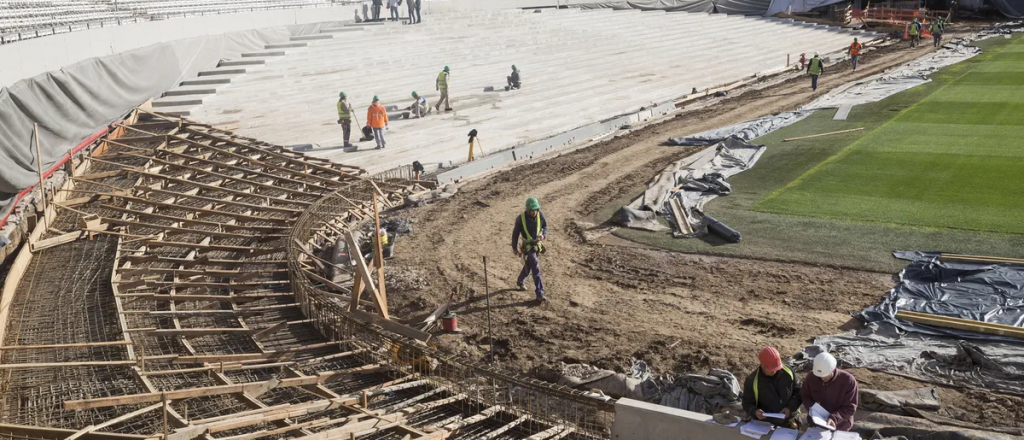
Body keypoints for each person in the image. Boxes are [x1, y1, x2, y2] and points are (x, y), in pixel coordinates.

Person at [742, 347, 802, 428]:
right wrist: (755, 411)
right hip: (767, 424)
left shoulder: (788, 372)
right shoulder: (752, 381)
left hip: (790, 421)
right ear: (762, 365)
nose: (775, 371)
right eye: (771, 369)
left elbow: (799, 392)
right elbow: (747, 403)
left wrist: (790, 407)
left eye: (776, 367)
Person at [801, 352, 859, 431]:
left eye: (825, 375)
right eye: (819, 376)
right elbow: (805, 396)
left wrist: (834, 418)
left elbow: (850, 407)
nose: (822, 378)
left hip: (840, 425)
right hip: (816, 424)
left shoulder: (848, 381)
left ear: (833, 369)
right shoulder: (811, 378)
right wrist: (812, 409)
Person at [511, 197, 547, 302]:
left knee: (530, 264)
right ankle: (539, 293)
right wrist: (514, 248)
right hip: (527, 247)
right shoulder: (520, 219)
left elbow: (545, 226)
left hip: (537, 245)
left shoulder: (540, 214)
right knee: (535, 266)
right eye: (533, 210)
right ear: (527, 209)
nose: (534, 212)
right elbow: (515, 234)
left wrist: (543, 235)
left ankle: (520, 280)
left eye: (536, 210)